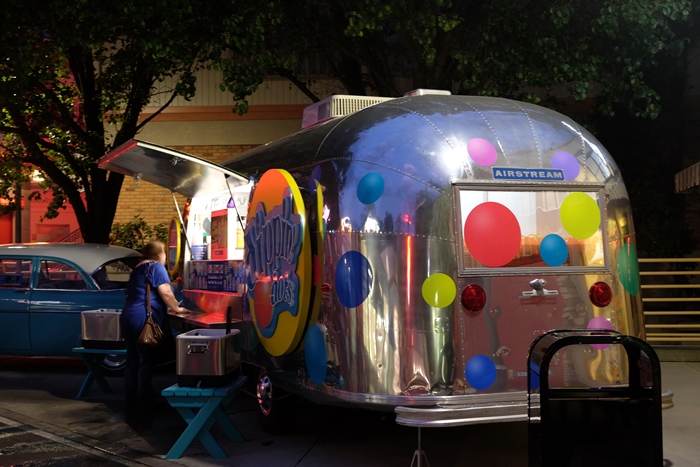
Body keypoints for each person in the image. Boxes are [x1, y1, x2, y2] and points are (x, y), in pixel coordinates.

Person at [120, 241, 190, 428]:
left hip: (128, 318)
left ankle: (130, 403)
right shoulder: (156, 266)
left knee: (133, 362)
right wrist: (178, 308)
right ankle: (144, 404)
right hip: (144, 319)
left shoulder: (138, 269)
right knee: (146, 362)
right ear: (160, 254)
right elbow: (165, 292)